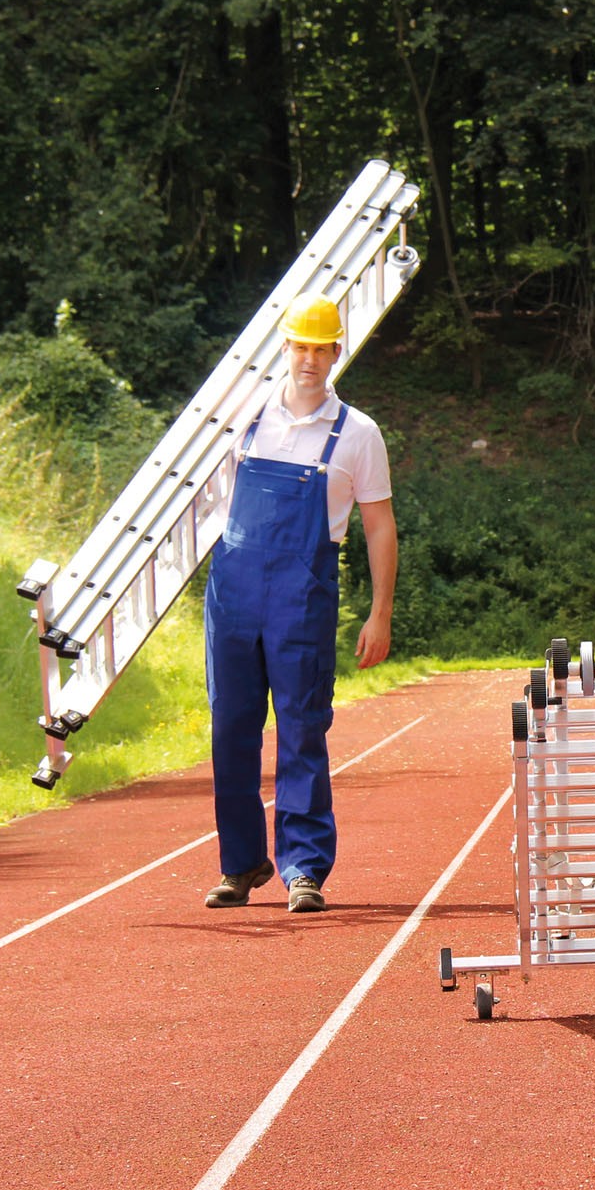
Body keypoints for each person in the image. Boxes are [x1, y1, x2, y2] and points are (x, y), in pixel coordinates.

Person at [202, 292, 398, 914]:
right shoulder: (246, 415)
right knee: (231, 728)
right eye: (299, 347)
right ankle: (241, 864)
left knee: (301, 730)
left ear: (337, 351)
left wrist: (380, 612)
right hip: (232, 595)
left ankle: (304, 868)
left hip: (303, 598)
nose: (309, 360)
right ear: (284, 349)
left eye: (321, 348)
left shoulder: (359, 435)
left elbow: (380, 526)